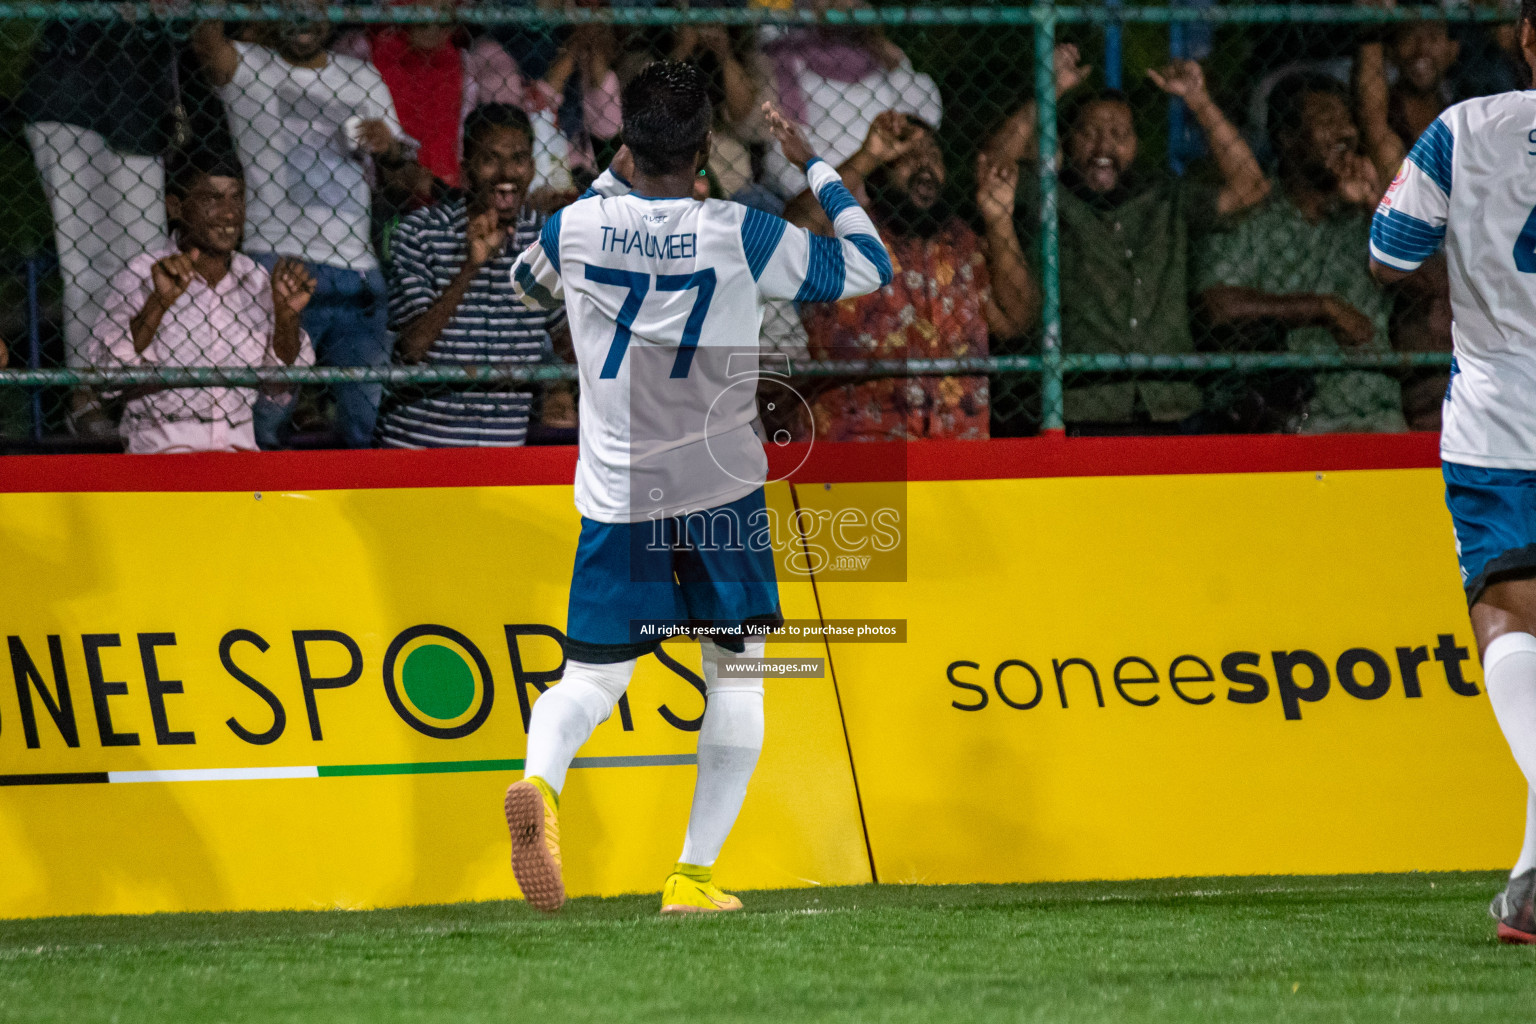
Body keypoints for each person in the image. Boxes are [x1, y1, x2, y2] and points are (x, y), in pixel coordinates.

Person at [505, 61, 891, 915]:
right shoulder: (737, 231)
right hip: (718, 489)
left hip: (618, 492)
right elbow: (869, 268)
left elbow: (522, 287)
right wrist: (817, 167)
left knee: (591, 682)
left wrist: (607, 183)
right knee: (737, 674)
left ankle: (541, 783)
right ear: (706, 149)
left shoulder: (575, 228)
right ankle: (693, 876)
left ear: (628, 144)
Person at [1368, 0, 1536, 943]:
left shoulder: (1463, 128)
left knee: (1509, 617)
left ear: (1524, 37)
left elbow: (1389, 257)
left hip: (1503, 419)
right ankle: (1529, 887)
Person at [986, 45, 1270, 432]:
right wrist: (1046, 91)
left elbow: (1250, 187)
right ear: (1068, 141)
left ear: (1137, 144)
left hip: (1171, 404)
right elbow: (992, 169)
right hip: (1084, 408)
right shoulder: (1051, 198)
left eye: (1119, 134)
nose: (1104, 147)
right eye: (1089, 133)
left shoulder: (1166, 197)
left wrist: (1198, 100)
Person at [193, 11, 414, 448]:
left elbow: (403, 180)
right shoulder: (249, 65)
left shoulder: (362, 77)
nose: (303, 13)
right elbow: (205, 40)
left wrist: (389, 150)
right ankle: (258, 507)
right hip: (276, 258)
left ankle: (357, 506)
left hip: (357, 270)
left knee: (365, 421)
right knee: (264, 419)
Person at [790, 112, 1036, 440]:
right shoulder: (844, 235)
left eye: (934, 156)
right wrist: (868, 156)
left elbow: (1017, 320)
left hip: (953, 453)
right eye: (908, 157)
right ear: (879, 174)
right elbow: (790, 233)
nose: (924, 165)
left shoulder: (962, 244)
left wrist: (1000, 220)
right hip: (857, 448)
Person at [1196, 73, 1406, 434]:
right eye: (1327, 122)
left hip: (1378, 414)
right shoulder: (1256, 215)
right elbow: (1218, 304)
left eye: (1348, 121)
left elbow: (1430, 287)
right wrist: (1319, 308)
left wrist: (1374, 205)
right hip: (1295, 424)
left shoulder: (1366, 211)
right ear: (1287, 138)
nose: (1345, 133)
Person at [88, 152, 315, 454]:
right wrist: (158, 303)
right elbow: (106, 376)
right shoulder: (142, 274)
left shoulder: (256, 279)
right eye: (212, 199)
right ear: (176, 206)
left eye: (237, 198)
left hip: (238, 461)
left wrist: (286, 321)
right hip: (159, 463)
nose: (230, 214)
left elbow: (279, 389)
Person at [17, 19, 178, 437]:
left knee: (146, 257)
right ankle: (87, 396)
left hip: (139, 86)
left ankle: (141, 395)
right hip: (67, 82)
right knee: (85, 261)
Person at [378, 104, 568, 447]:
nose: (506, 173)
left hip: (501, 450)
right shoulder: (419, 234)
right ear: (466, 171)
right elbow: (412, 349)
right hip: (419, 446)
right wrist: (470, 267)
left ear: (532, 168)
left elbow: (569, 343)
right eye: (490, 159)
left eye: (519, 159)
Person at [759, 0, 942, 201]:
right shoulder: (924, 112)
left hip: (824, 198)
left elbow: (783, 165)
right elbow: (900, 69)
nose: (921, 160)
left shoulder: (882, 66)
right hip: (856, 43)